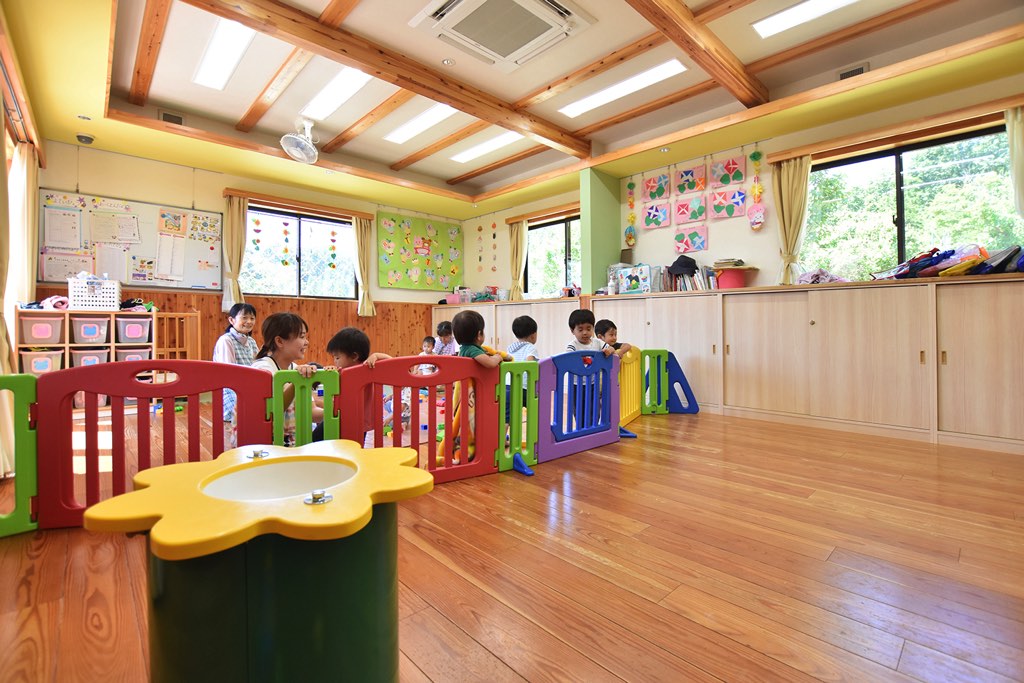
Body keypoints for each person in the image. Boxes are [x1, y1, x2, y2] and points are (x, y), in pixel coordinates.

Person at [251, 312, 319, 446]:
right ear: (280, 341)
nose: (307, 342)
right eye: (302, 337)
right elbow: (273, 410)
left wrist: (336, 409)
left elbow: (312, 413)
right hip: (266, 445)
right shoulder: (262, 369)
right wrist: (297, 381)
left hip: (293, 442)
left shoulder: (296, 368)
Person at [314, 327, 392, 442]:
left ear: (354, 356)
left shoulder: (368, 368)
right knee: (316, 438)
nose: (335, 361)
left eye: (337, 357)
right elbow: (330, 382)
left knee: (355, 447)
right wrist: (330, 371)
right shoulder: (340, 372)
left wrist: (376, 355)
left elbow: (392, 362)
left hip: (360, 421)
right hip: (339, 418)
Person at [211, 303, 258, 449]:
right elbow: (228, 372)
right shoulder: (226, 340)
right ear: (231, 320)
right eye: (244, 318)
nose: (249, 321)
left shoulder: (251, 341)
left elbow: (258, 364)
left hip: (248, 387)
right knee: (244, 414)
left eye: (252, 318)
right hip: (229, 388)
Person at [505, 315, 539, 424]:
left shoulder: (510, 348)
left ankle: (502, 434)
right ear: (533, 335)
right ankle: (536, 428)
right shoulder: (530, 348)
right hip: (523, 388)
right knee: (538, 406)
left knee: (506, 417)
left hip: (507, 386)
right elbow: (530, 364)